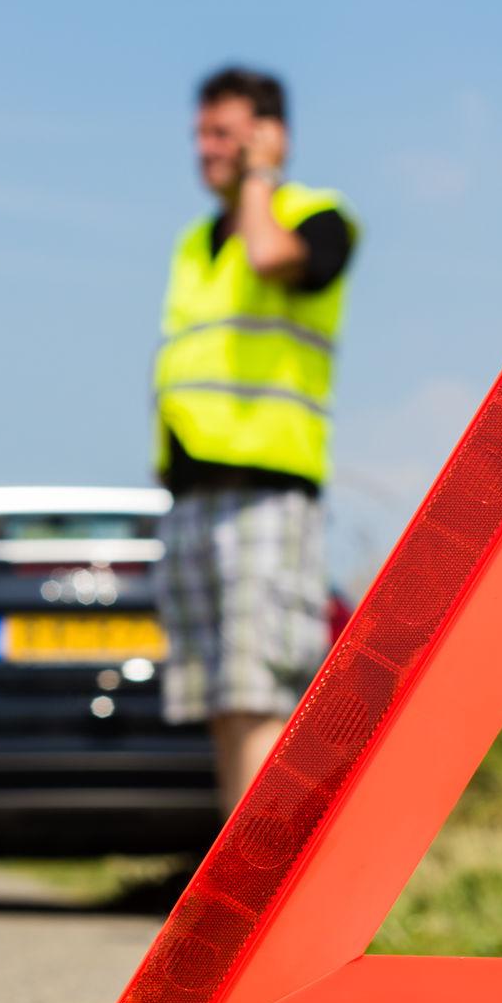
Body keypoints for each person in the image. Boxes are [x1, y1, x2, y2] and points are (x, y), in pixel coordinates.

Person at [151, 65, 357, 813]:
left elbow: (274, 259)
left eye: (224, 135)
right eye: (200, 134)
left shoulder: (315, 217)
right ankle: (242, 894)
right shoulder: (193, 243)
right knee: (223, 701)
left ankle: (271, 898)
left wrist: (262, 176)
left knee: (263, 691)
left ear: (270, 137)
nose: (205, 150)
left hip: (267, 493)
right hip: (193, 497)